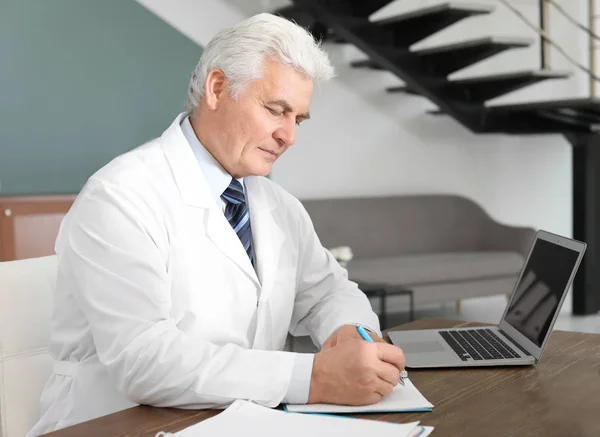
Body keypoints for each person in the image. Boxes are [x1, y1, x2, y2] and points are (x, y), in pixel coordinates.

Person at [28, 13, 405, 436]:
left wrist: (349, 332)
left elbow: (326, 293)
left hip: (236, 421)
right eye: (275, 110)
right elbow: (144, 361)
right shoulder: (119, 196)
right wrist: (314, 377)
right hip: (113, 424)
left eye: (297, 119)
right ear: (217, 88)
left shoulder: (278, 206)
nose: (289, 136)